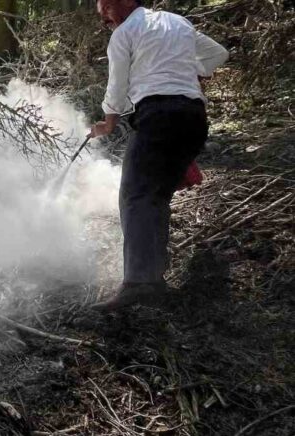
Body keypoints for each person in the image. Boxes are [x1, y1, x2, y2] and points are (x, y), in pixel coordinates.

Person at [89, 0, 228, 311]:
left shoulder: (125, 34)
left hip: (158, 117)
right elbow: (219, 54)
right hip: (194, 119)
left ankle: (140, 284)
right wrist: (193, 71)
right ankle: (153, 278)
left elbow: (117, 84)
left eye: (108, 9)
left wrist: (108, 122)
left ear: (127, 1)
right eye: (103, 16)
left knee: (135, 196)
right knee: (155, 196)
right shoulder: (178, 23)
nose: (106, 21)